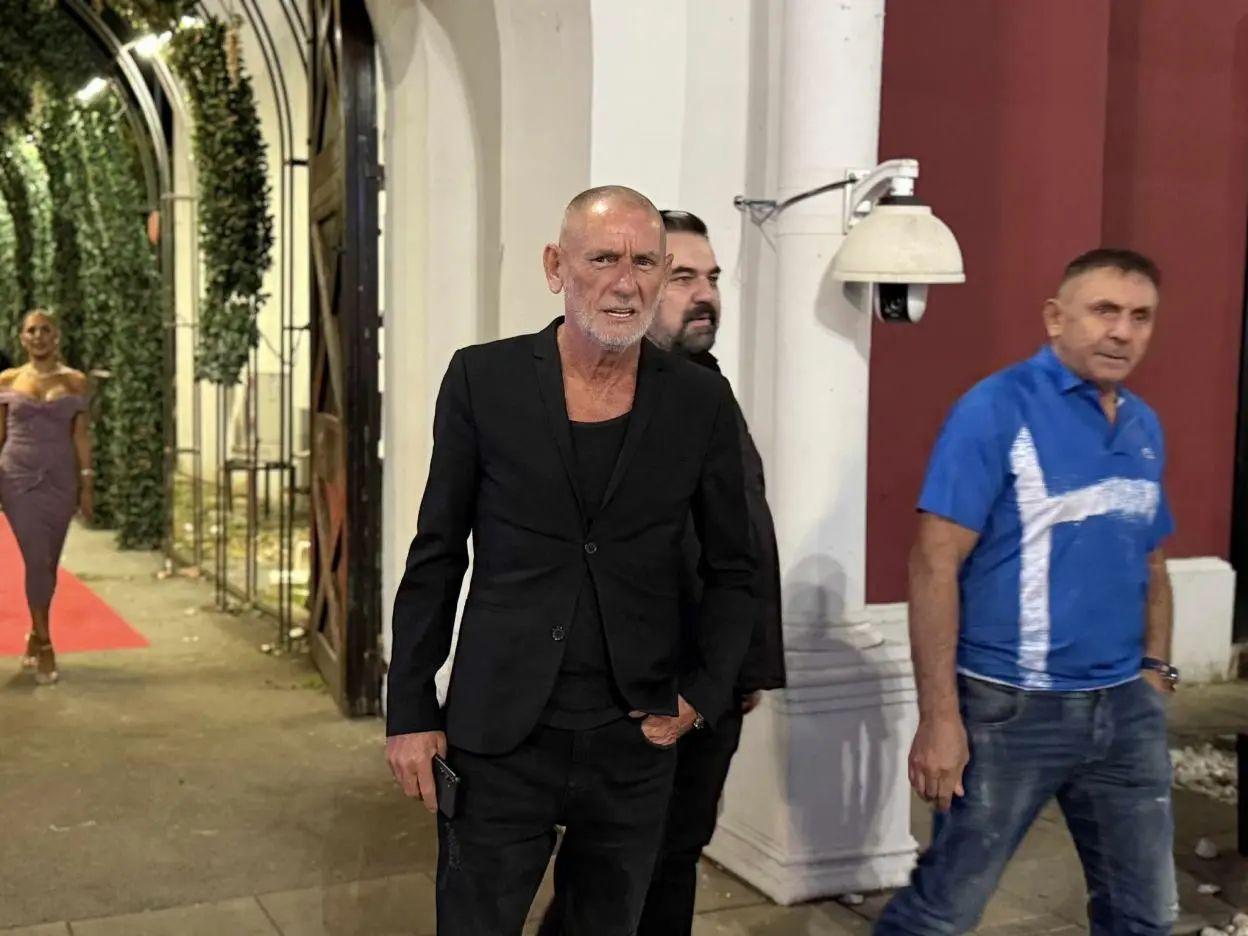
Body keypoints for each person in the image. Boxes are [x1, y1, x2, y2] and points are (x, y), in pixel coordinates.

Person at [385, 186, 758, 935]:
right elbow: (437, 554)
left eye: (645, 262)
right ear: (557, 266)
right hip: (498, 733)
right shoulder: (483, 380)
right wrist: (411, 709)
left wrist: (703, 691)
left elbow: (734, 567)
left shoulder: (699, 402)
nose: (626, 283)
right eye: (604, 259)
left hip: (634, 738)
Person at [874, 248, 1178, 936]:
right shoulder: (995, 409)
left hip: (1125, 711)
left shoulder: (1143, 424)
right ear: (1055, 318)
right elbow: (933, 563)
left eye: (1141, 316)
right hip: (1010, 710)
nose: (1122, 331)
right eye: (1104, 311)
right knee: (942, 912)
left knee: (1145, 917)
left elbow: (1153, 560)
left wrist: (1155, 672)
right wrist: (940, 718)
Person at [536, 208, 786, 936]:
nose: (704, 294)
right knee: (610, 876)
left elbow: (741, 543)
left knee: (672, 860)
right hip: (644, 689)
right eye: (681, 277)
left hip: (710, 683)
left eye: (711, 277)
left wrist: (741, 668)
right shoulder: (604, 400)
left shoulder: (707, 390)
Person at [0, 310, 94, 685]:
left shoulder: (75, 381)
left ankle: (34, 632)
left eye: (45, 330)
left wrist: (87, 482)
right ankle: (46, 643)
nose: (38, 336)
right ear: (22, 338)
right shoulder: (7, 380)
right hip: (17, 477)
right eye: (31, 331)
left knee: (50, 563)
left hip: (60, 478)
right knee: (36, 557)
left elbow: (81, 434)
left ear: (56, 336)